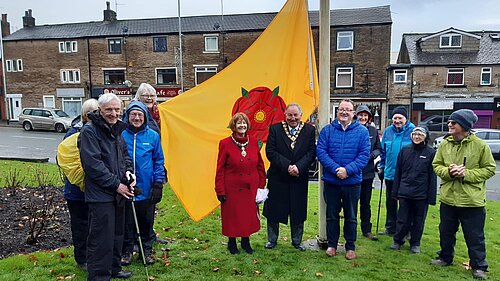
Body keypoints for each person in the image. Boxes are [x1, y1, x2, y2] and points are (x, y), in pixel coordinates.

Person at [431, 109, 495, 280]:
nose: (449, 124)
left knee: (475, 236)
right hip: (448, 198)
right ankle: (445, 257)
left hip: (471, 200)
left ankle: (479, 266)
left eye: (454, 122)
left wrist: (466, 174)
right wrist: (449, 172)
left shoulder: (481, 145)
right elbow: (436, 165)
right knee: (446, 232)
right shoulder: (444, 144)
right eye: (450, 121)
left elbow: (490, 169)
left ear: (465, 126)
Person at [79, 93, 136, 280]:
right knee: (101, 238)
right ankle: (99, 276)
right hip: (100, 194)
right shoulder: (90, 131)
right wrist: (116, 185)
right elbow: (93, 165)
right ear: (100, 110)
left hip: (118, 192)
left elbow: (125, 157)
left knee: (117, 234)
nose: (113, 113)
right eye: (109, 110)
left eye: (117, 109)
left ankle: (114, 268)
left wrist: (129, 173)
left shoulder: (117, 130)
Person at [316, 99, 370, 260]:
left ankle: (350, 247)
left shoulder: (362, 132)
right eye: (341, 109)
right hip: (332, 181)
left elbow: (364, 155)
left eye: (348, 110)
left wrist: (347, 170)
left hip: (352, 183)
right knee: (331, 215)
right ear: (337, 112)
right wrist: (335, 169)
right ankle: (332, 245)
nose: (344, 112)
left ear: (353, 113)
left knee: (351, 216)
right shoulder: (327, 131)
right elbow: (321, 152)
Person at [263, 103, 316, 251]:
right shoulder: (275, 129)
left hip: (299, 177)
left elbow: (311, 152)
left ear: (301, 115)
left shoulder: (309, 130)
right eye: (290, 115)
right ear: (285, 115)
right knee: (274, 210)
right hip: (278, 177)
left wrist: (298, 167)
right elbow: (271, 151)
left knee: (298, 210)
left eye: (295, 115)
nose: (293, 118)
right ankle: (272, 240)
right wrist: (287, 166)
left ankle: (297, 241)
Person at [120, 101, 166, 266]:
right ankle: (127, 251)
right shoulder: (121, 134)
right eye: (133, 114)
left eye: (140, 115)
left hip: (146, 189)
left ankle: (145, 251)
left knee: (146, 223)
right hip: (126, 188)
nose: (137, 118)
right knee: (127, 223)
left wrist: (158, 184)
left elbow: (158, 161)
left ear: (145, 117)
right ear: (128, 116)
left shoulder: (152, 136)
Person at [214, 112, 266, 255]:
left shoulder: (254, 142)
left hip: (251, 187)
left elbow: (260, 166)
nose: (242, 125)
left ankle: (245, 241)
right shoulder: (225, 143)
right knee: (233, 215)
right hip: (232, 187)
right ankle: (232, 242)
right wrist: (220, 190)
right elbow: (220, 169)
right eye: (239, 123)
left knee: (247, 215)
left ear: (247, 125)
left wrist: (261, 187)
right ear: (234, 126)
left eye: (244, 123)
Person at [63, 98, 98, 270]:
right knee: (80, 225)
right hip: (77, 191)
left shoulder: (100, 131)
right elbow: (67, 161)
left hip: (95, 189)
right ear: (86, 115)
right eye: (93, 113)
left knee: (94, 225)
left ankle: (92, 257)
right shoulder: (73, 134)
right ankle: (82, 259)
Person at [389, 126, 436, 254]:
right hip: (404, 191)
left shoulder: (431, 153)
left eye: (420, 135)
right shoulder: (405, 150)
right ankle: (398, 240)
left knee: (418, 220)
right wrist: (395, 192)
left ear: (425, 137)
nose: (416, 137)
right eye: (414, 134)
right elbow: (398, 172)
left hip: (421, 194)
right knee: (402, 219)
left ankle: (415, 243)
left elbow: (432, 176)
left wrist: (431, 197)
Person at [378, 106, 415, 236]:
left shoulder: (413, 131)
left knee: (405, 204)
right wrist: (381, 167)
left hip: (406, 175)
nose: (397, 120)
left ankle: (406, 230)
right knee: (390, 202)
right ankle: (390, 227)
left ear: (406, 119)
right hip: (390, 173)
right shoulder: (388, 131)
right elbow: (383, 152)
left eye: (400, 118)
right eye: (395, 118)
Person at [355, 104, 381, 241]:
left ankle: (367, 230)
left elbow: (378, 148)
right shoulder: (352, 129)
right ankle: (351, 229)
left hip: (368, 172)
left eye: (365, 115)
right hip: (354, 172)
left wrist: (371, 155)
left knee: (366, 202)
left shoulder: (373, 131)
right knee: (352, 202)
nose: (363, 117)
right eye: (361, 115)